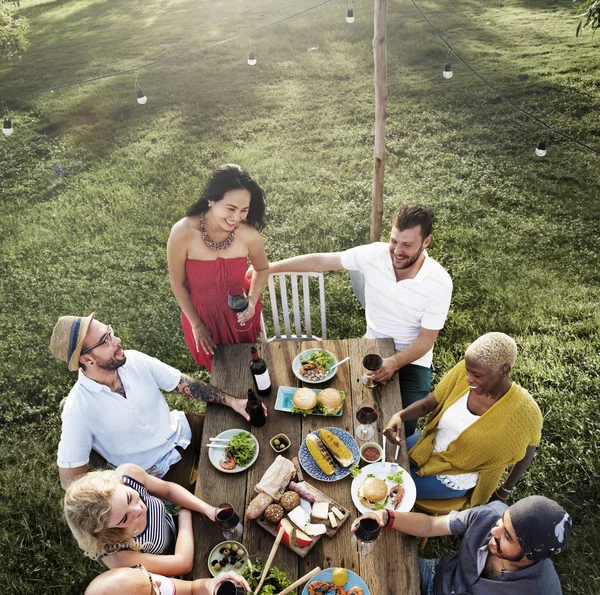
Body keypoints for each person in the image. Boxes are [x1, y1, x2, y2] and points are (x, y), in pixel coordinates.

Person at [267, 204, 452, 436]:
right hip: (373, 343)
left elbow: (426, 339)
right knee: (350, 407)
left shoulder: (439, 282)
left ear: (426, 242)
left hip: (413, 360)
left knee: (401, 427)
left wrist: (394, 362)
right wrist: (268, 269)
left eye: (407, 244)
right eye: (394, 241)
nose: (397, 250)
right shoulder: (374, 254)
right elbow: (320, 262)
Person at [50, 313, 265, 491]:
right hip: (163, 474)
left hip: (185, 430)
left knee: (255, 436)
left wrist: (233, 402)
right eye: (105, 340)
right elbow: (70, 482)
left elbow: (183, 383)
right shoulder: (77, 410)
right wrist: (120, 482)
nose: (117, 341)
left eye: (110, 332)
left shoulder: (133, 360)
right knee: (230, 490)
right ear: (87, 360)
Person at [384, 333, 542, 505]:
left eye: (477, 375)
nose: (468, 378)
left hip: (457, 473)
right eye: (468, 371)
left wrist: (504, 490)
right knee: (383, 465)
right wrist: (399, 416)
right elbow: (428, 403)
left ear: (504, 370)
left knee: (391, 486)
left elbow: (527, 454)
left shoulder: (525, 411)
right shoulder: (464, 372)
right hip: (430, 442)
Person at [353, 495, 572, 595]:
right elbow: (430, 525)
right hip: (435, 574)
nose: (493, 531)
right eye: (502, 521)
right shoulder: (488, 516)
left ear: (530, 555)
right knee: (359, 572)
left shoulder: (541, 590)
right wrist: (386, 517)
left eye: (507, 537)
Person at [167, 164, 270, 372]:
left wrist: (251, 300)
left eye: (244, 210)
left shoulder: (249, 235)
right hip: (203, 316)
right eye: (230, 208)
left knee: (247, 362)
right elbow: (177, 284)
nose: (236, 217)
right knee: (219, 370)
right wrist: (196, 324)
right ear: (211, 199)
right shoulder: (182, 232)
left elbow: (262, 269)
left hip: (239, 312)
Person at [64, 463, 218, 575]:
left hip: (186, 526)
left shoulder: (129, 475)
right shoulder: (117, 555)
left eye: (130, 498)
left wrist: (207, 509)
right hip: (185, 567)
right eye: (125, 518)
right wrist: (185, 513)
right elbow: (182, 563)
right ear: (107, 531)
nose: (139, 509)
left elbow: (169, 490)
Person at [85, 566, 250, 595]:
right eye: (152, 592)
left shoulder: (146, 583)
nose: (157, 583)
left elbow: (192, 589)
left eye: (143, 572)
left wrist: (211, 586)